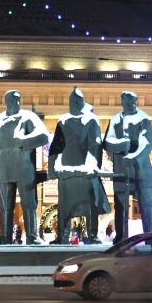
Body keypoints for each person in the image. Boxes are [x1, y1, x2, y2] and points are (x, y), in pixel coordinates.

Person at [48, 88, 110, 245]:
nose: (76, 104)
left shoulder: (91, 120)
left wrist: (93, 166)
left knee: (90, 206)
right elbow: (56, 146)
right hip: (66, 172)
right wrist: (52, 169)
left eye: (79, 101)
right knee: (64, 207)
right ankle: (62, 236)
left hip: (85, 171)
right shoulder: (63, 121)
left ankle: (93, 235)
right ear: (70, 103)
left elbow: (95, 145)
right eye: (74, 101)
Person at [0, 90, 50, 245]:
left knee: (29, 204)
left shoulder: (28, 116)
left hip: (24, 167)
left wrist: (22, 141)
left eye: (18, 100)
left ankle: (32, 236)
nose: (16, 103)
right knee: (5, 206)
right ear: (6, 101)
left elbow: (43, 136)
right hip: (5, 168)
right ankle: (5, 238)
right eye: (13, 100)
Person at [105, 91, 152, 243]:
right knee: (120, 207)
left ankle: (150, 237)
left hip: (141, 171)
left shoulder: (143, 119)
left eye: (131, 102)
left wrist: (133, 158)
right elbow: (108, 141)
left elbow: (146, 143)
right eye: (125, 102)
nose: (128, 105)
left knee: (146, 206)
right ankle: (121, 238)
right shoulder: (115, 119)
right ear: (122, 102)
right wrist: (119, 144)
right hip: (121, 171)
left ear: (135, 102)